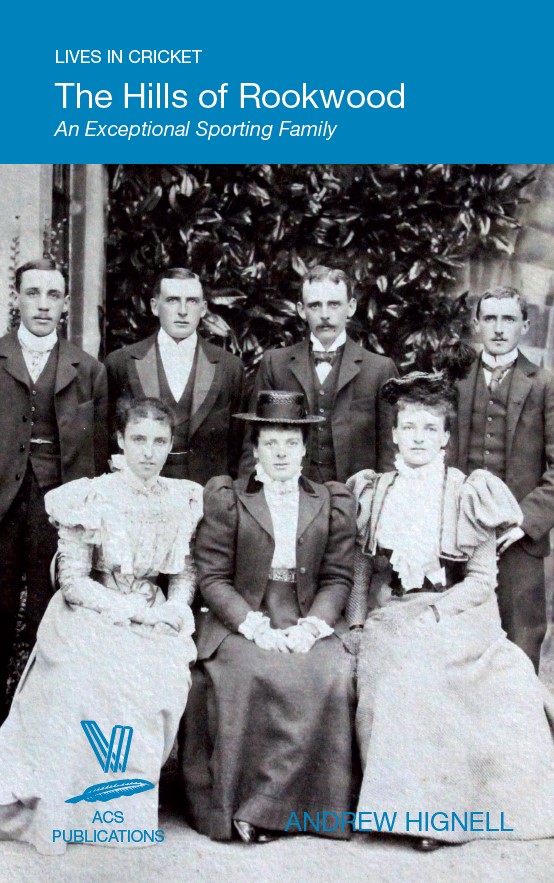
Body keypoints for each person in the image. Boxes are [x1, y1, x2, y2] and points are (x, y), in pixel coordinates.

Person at [347, 367, 554, 850]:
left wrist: (438, 614)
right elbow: (362, 570)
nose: (418, 438)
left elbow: (482, 580)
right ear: (395, 434)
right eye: (409, 427)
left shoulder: (469, 491)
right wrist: (356, 623)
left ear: (444, 438)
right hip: (394, 608)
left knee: (466, 673)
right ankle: (404, 810)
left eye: (430, 428)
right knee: (395, 670)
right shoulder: (373, 491)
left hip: (459, 611)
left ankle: (445, 814)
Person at [0, 397, 202, 855]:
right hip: (93, 609)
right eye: (138, 440)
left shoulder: (182, 497)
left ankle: (121, 813)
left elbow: (183, 571)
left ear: (170, 445)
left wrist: (173, 608)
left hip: (154, 609)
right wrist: (124, 608)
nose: (148, 452)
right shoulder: (90, 495)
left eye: (158, 441)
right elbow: (72, 580)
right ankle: (69, 809)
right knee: (82, 674)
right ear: (120, 441)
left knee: (160, 673)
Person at [181, 390, 357, 842]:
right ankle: (247, 808)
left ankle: (302, 811)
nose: (281, 452)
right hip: (243, 618)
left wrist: (314, 626)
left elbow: (338, 576)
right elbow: (213, 577)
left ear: (304, 449)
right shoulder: (227, 497)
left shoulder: (330, 500)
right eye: (270, 442)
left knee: (330, 675)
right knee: (251, 673)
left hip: (305, 615)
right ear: (255, 447)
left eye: (290, 443)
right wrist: (252, 625)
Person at [0, 257, 108, 723]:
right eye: (33, 293)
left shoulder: (89, 370)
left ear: (64, 304)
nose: (42, 305)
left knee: (53, 614)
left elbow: (99, 451)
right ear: (17, 299)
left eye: (52, 296)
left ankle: (41, 724)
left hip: (58, 507)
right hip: (3, 504)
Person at [450, 286, 554, 672]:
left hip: (519, 540)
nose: (498, 328)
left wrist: (525, 523)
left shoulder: (544, 384)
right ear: (476, 324)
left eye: (508, 319)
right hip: (460, 532)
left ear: (525, 325)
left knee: (519, 641)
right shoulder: (457, 381)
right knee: (456, 639)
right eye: (489, 318)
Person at [239, 265, 398, 482]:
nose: (325, 315)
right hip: (292, 497)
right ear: (301, 310)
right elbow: (254, 440)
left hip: (356, 499)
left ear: (350, 307)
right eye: (315, 305)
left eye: (334, 305)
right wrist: (248, 498)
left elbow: (389, 449)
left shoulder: (379, 368)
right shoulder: (276, 363)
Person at [105, 267, 245, 485]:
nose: (182, 310)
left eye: (191, 301)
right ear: (154, 306)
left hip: (207, 497)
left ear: (203, 309)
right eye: (172, 300)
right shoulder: (121, 363)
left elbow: (239, 444)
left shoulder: (229, 367)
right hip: (139, 495)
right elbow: (107, 438)